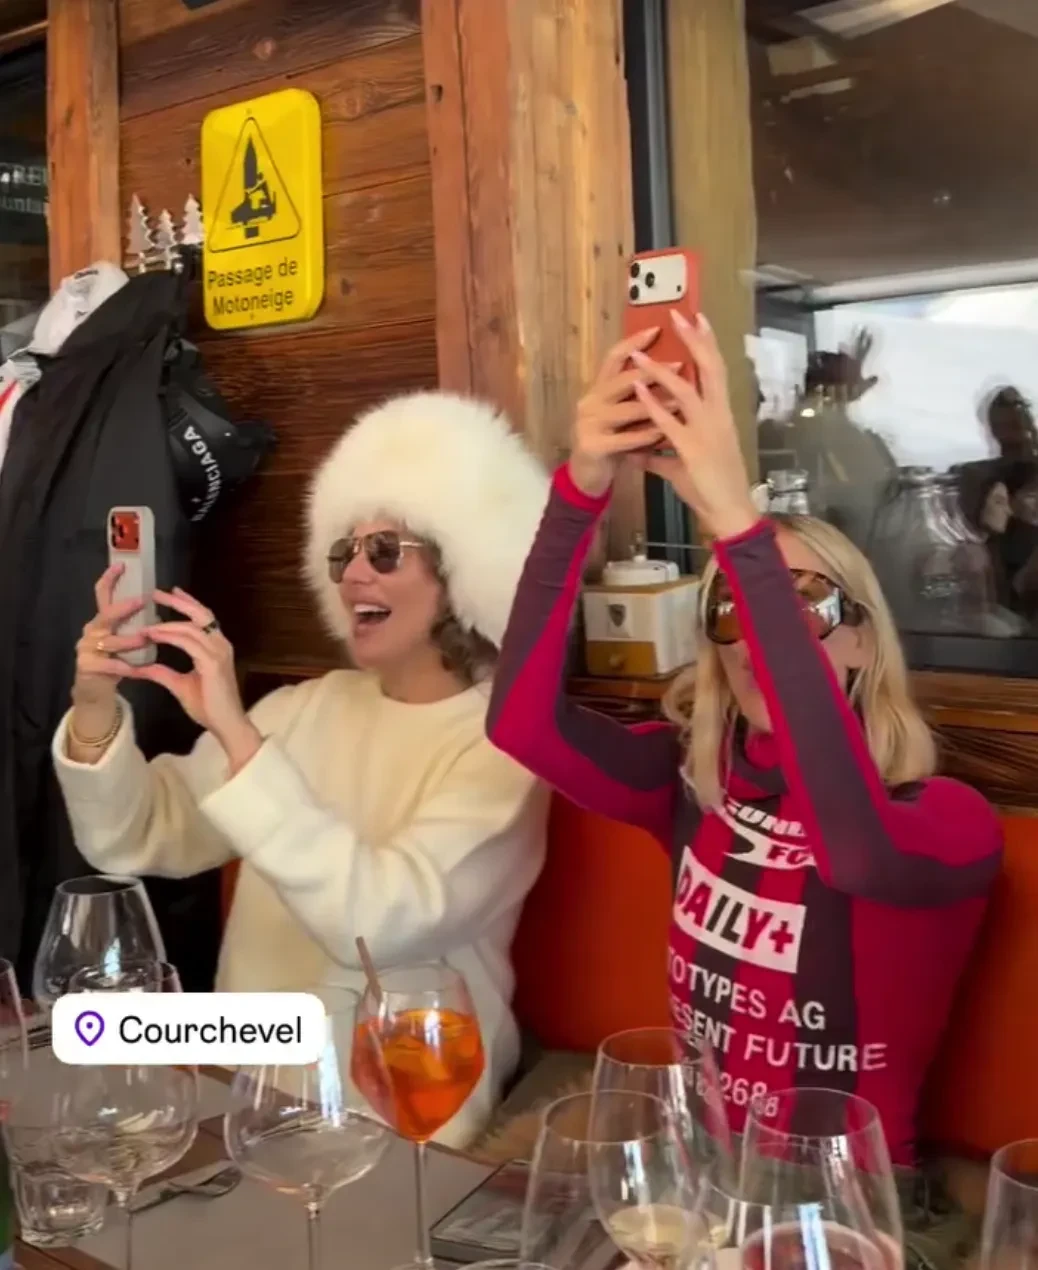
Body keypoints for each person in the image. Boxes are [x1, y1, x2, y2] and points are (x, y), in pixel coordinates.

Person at [487, 314, 1002, 1172]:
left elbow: (853, 852)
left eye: (810, 605)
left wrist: (738, 523)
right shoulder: (698, 782)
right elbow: (521, 724)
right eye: (737, 608)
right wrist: (581, 488)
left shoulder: (946, 821)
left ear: (865, 641)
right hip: (693, 1177)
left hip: (840, 1205)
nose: (762, 636)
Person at [52, 390, 551, 1147]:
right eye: (343, 554)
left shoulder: (502, 747)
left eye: (385, 552)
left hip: (401, 1111)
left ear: (464, 573)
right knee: (62, 1095)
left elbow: (376, 926)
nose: (353, 576)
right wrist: (94, 704)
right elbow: (135, 836)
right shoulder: (304, 707)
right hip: (245, 1086)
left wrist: (235, 734)